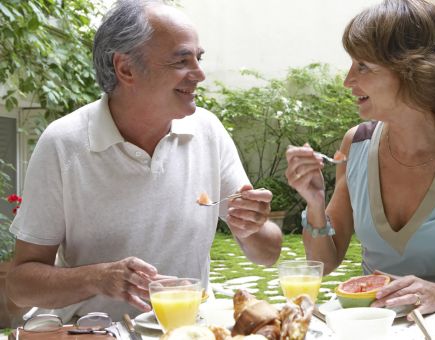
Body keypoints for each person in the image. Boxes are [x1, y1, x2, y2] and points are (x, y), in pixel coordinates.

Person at [6, 0, 282, 321]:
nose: (200, 74)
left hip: (186, 331)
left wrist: (253, 227)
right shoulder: (63, 143)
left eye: (199, 58)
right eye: (182, 60)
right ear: (126, 69)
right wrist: (98, 277)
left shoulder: (208, 130)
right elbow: (20, 285)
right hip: (97, 333)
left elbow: (269, 253)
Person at [285, 0, 435, 316]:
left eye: (363, 66)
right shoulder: (356, 144)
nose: (347, 80)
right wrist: (315, 205)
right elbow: (326, 262)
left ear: (413, 71)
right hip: (376, 324)